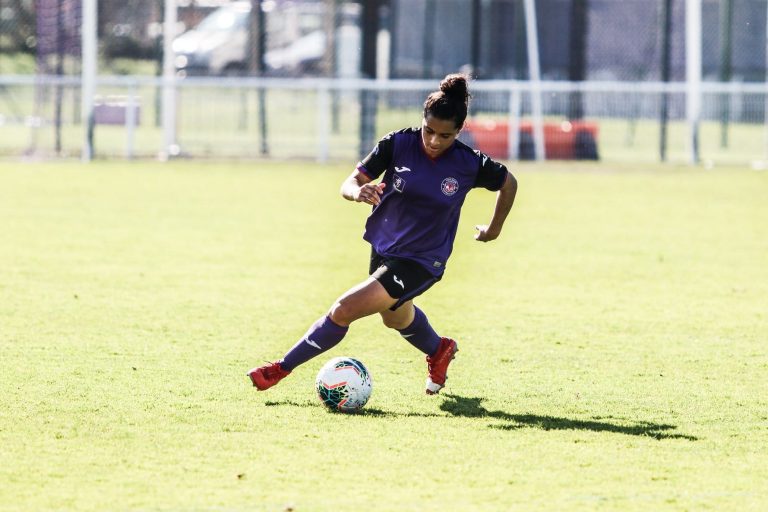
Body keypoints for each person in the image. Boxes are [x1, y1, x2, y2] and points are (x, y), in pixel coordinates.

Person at [247, 73, 517, 395]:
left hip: (422, 260)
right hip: (385, 247)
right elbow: (349, 182)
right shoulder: (398, 144)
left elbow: (508, 183)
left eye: (444, 136)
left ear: (459, 131)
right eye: (429, 131)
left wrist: (494, 229)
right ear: (422, 121)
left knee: (344, 309)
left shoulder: (468, 163)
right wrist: (357, 193)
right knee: (395, 318)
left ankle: (279, 369)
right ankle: (438, 349)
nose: (433, 141)